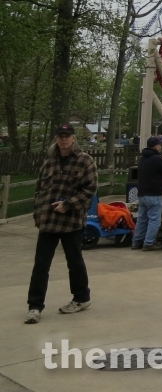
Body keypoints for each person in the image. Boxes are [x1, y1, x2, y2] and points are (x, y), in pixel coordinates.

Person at [25, 124, 98, 324]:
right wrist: (38, 210)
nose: (64, 140)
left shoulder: (85, 161)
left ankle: (81, 298)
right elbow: (39, 188)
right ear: (56, 139)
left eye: (67, 136)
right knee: (41, 264)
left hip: (71, 221)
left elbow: (90, 189)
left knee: (74, 262)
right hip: (48, 220)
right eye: (60, 136)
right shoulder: (49, 162)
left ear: (74, 139)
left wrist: (68, 205)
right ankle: (35, 306)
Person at [132, 136, 162, 251]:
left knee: (142, 219)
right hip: (154, 193)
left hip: (142, 193)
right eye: (160, 145)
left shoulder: (142, 159)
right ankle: (149, 243)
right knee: (154, 219)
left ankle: (136, 242)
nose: (161, 147)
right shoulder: (159, 159)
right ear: (156, 146)